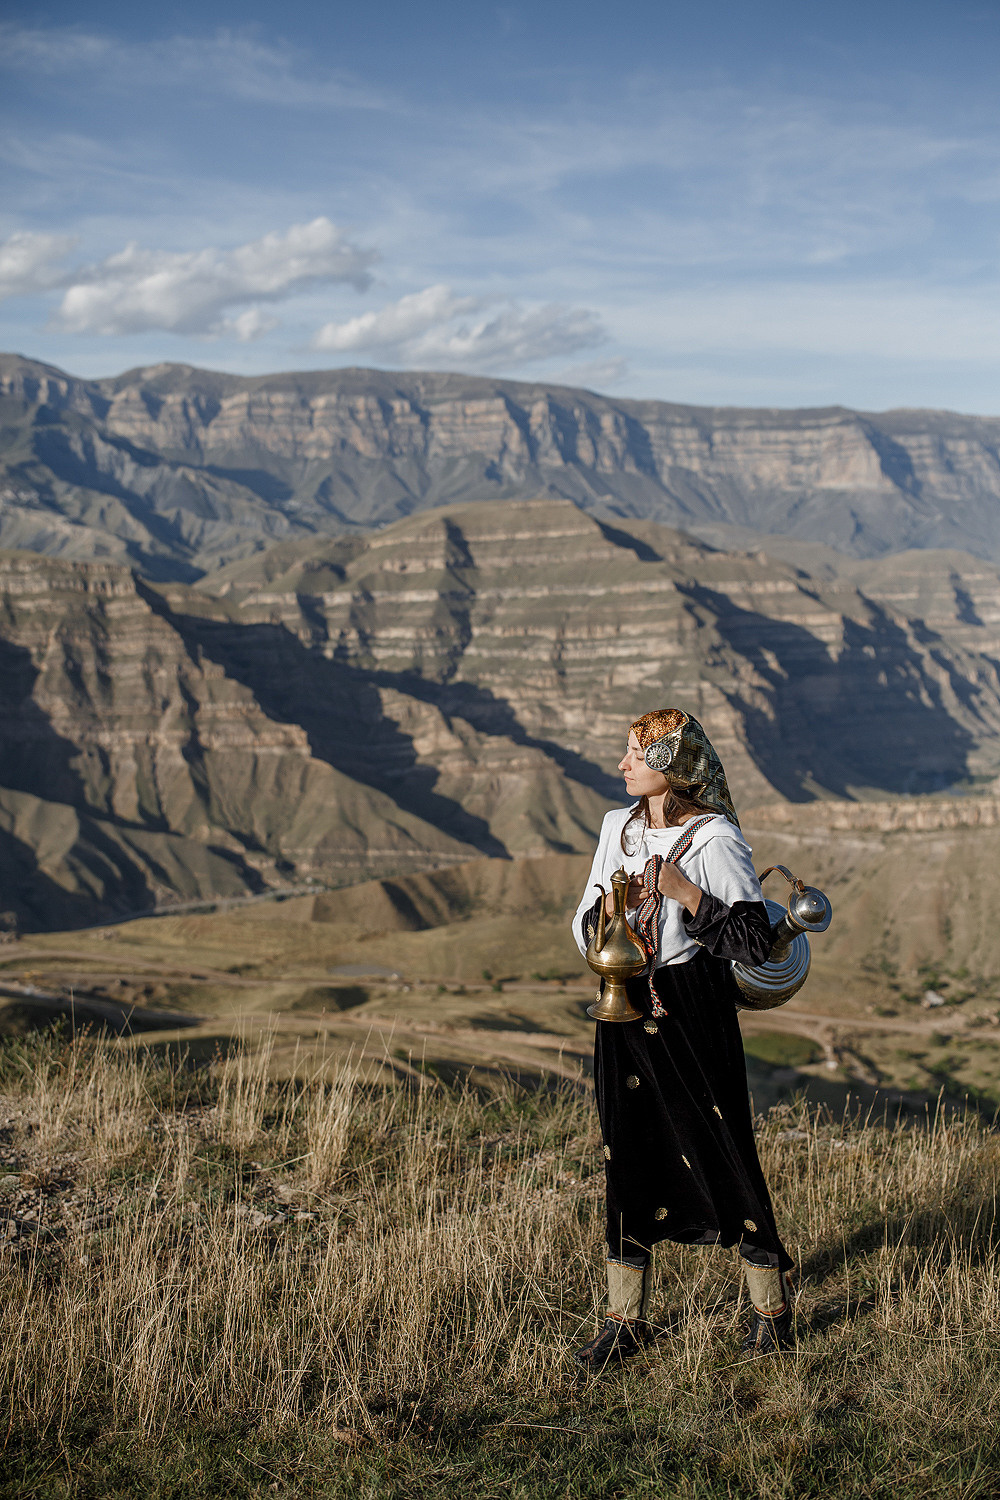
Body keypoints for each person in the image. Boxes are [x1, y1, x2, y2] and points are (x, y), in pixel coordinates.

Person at [571, 708, 795, 1373]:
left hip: (692, 1010)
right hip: (622, 1006)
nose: (622, 765)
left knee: (722, 1149)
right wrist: (609, 913)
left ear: (669, 764)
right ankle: (623, 1321)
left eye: (634, 754)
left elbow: (753, 941)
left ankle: (771, 1314)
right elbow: (583, 918)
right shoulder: (618, 828)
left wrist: (684, 893)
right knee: (627, 1153)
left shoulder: (715, 838)